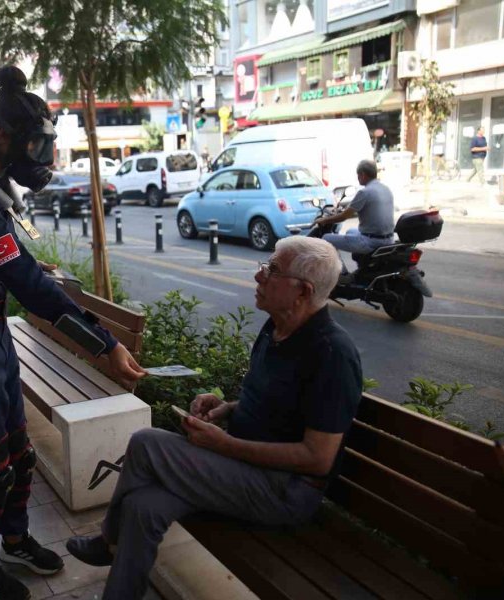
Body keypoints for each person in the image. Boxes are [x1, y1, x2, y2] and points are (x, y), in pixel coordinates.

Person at [0, 66, 146, 600]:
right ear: (3, 137)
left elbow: (5, 267)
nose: (44, 159)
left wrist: (30, 270)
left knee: (17, 453)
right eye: (38, 145)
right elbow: (27, 288)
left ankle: (15, 538)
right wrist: (104, 344)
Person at [67, 236, 362, 599]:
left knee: (145, 443)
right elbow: (276, 404)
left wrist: (225, 444)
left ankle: (106, 541)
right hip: (242, 473)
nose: (259, 276)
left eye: (271, 270)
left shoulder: (332, 354)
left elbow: (318, 459)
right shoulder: (277, 329)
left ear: (302, 291)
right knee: (144, 507)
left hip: (284, 490)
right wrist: (227, 409)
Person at [315, 159, 394, 278]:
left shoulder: (365, 192)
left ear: (362, 174)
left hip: (371, 241)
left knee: (326, 238)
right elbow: (356, 207)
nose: (358, 178)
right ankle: (363, 268)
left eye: (358, 175)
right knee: (350, 231)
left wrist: (324, 220)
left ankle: (338, 273)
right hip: (388, 239)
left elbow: (344, 216)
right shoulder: (385, 189)